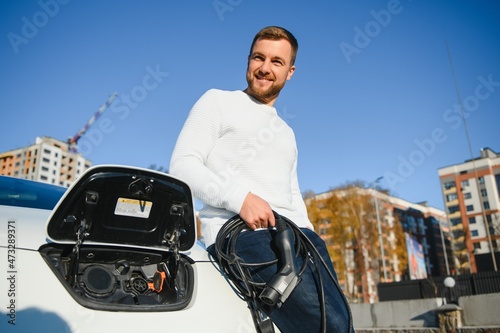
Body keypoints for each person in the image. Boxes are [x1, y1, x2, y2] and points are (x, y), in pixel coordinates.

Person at [169, 26, 352, 333]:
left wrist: (309, 237)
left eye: (276, 62)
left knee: (344, 322)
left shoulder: (286, 132)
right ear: (249, 60)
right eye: (259, 57)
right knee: (329, 326)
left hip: (300, 239)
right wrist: (240, 199)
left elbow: (293, 196)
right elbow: (182, 166)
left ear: (290, 71)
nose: (265, 68)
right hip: (245, 235)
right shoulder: (217, 101)